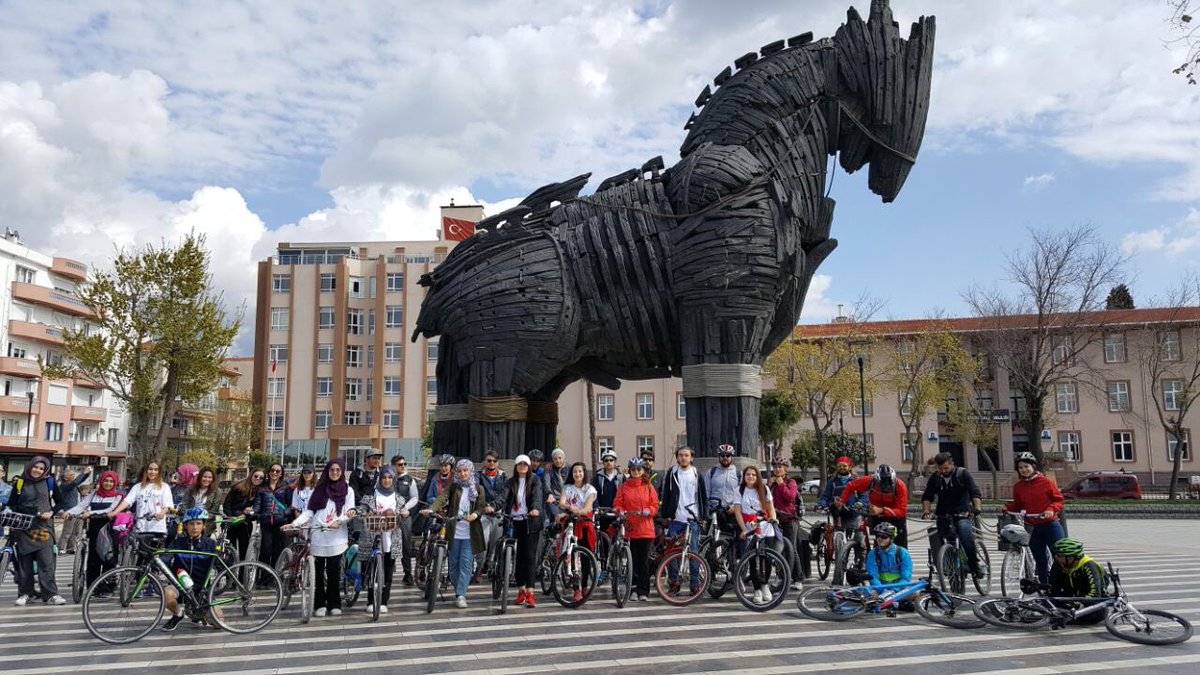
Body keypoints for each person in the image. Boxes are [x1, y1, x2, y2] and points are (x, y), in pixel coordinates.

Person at [284, 459, 356, 617]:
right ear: (327, 472)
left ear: (342, 471)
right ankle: (319, 604)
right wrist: (294, 523)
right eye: (332, 470)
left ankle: (334, 603)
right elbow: (309, 512)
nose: (335, 473)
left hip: (336, 537)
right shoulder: (319, 490)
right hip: (318, 535)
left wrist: (340, 521)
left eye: (338, 470)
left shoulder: (348, 490)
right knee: (316, 574)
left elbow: (350, 510)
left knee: (333, 573)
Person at [425, 459, 487, 608]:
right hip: (454, 531)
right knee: (453, 565)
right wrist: (432, 509)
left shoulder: (478, 489)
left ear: (471, 472)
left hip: (469, 533)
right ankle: (457, 588)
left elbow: (481, 507)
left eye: (466, 470)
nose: (463, 473)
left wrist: (476, 515)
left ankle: (461, 594)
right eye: (460, 471)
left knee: (465, 564)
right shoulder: (453, 487)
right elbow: (442, 499)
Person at [9, 456, 65, 605]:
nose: (37, 470)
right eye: (35, 467)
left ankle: (51, 594)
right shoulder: (20, 482)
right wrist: (24, 513)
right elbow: (12, 504)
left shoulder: (49, 481)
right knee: (24, 564)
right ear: (30, 466)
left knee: (46, 562)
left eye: (41, 468)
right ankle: (25, 593)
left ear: (45, 470)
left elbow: (61, 502)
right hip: (25, 528)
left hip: (43, 528)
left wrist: (51, 512)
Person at [1003, 452, 1065, 584]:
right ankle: (1044, 586)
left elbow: (1059, 500)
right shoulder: (1019, 487)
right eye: (1020, 468)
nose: (1024, 470)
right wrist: (1008, 508)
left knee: (1060, 555)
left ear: (1033, 466)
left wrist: (1050, 509)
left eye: (1026, 466)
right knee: (1039, 559)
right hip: (1033, 526)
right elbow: (1019, 505)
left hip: (1050, 524)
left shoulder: (1047, 482)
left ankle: (1062, 583)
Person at [921, 452, 985, 579]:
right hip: (943, 514)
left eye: (946, 468)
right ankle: (950, 565)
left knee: (965, 535)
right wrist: (926, 511)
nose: (943, 471)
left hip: (963, 513)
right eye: (940, 468)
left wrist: (976, 508)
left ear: (952, 464)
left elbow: (974, 492)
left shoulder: (962, 474)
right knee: (943, 541)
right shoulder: (935, 478)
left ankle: (974, 564)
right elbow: (927, 496)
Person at [160, 507, 219, 631]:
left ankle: (197, 613)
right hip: (180, 587)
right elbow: (165, 559)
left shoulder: (211, 544)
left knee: (219, 623)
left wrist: (225, 557)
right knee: (166, 594)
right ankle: (178, 614)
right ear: (186, 526)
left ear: (204, 526)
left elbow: (221, 565)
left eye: (198, 523)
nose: (195, 527)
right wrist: (160, 559)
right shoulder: (177, 543)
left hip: (201, 590)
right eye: (191, 524)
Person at [66, 470, 124, 595]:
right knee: (93, 559)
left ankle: (107, 588)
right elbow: (81, 506)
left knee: (108, 558)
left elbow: (111, 509)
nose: (108, 483)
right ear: (101, 481)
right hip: (94, 529)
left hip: (110, 529)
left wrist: (90, 513)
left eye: (111, 481)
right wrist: (70, 512)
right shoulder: (93, 494)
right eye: (106, 481)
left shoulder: (119, 496)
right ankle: (93, 587)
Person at [1027, 538, 1108, 625]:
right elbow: (1052, 586)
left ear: (1070, 557)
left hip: (1092, 607)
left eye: (1060, 555)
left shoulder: (1089, 566)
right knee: (1040, 606)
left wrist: (1075, 604)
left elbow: (1095, 594)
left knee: (1094, 614)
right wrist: (1041, 589)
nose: (1056, 557)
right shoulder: (1059, 564)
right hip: (1069, 600)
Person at [660, 446, 707, 596]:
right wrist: (665, 516)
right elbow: (666, 495)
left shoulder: (697, 474)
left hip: (692, 520)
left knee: (693, 553)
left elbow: (703, 496)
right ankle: (674, 584)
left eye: (686, 455)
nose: (683, 458)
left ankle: (694, 584)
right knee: (673, 553)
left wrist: (703, 516)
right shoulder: (672, 473)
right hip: (676, 519)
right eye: (680, 455)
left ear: (691, 458)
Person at [732, 464, 782, 605]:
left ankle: (765, 584)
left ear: (757, 477)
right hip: (750, 527)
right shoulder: (739, 490)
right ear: (744, 477)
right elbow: (737, 511)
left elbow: (771, 508)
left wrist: (773, 519)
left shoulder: (764, 489)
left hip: (766, 526)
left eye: (753, 475)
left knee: (767, 557)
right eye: (748, 474)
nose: (751, 477)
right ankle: (757, 589)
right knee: (753, 559)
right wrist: (743, 529)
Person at [502, 454, 544, 608]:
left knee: (530, 557)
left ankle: (531, 593)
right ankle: (521, 591)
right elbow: (503, 497)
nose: (522, 467)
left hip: (531, 522)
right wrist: (494, 506)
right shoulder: (510, 482)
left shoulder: (535, 481)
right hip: (515, 521)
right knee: (519, 557)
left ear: (528, 467)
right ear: (516, 466)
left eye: (525, 464)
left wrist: (535, 509)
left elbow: (537, 498)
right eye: (519, 464)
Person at [613, 457, 658, 602]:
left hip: (646, 529)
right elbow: (618, 503)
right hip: (630, 528)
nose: (636, 472)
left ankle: (643, 590)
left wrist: (649, 510)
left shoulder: (649, 486)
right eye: (634, 470)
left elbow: (655, 505)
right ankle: (633, 588)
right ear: (630, 471)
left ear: (643, 470)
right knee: (632, 560)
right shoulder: (624, 487)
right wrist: (619, 511)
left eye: (639, 469)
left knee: (643, 561)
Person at [358, 467, 402, 613]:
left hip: (391, 538)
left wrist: (405, 512)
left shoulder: (398, 497)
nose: (387, 480)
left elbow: (403, 511)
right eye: (384, 477)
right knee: (372, 571)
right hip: (373, 537)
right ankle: (371, 601)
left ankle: (384, 601)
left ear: (394, 479)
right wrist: (359, 512)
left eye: (390, 477)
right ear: (380, 478)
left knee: (388, 572)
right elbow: (363, 508)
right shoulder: (371, 494)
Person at [837, 464, 909, 548]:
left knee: (900, 544)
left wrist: (882, 510)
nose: (885, 488)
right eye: (881, 485)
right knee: (879, 541)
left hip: (895, 515)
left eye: (889, 485)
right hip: (876, 513)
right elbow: (851, 486)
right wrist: (842, 500)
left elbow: (902, 511)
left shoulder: (900, 486)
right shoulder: (870, 481)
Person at [111, 460, 175, 550]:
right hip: (141, 526)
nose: (153, 472)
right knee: (141, 554)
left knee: (153, 555)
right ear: (145, 471)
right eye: (150, 469)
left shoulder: (164, 487)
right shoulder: (138, 487)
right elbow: (127, 501)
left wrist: (162, 513)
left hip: (156, 526)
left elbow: (168, 505)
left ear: (159, 472)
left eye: (156, 470)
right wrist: (115, 512)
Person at [559, 461, 598, 603]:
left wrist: (578, 511)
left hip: (585, 524)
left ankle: (585, 585)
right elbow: (562, 502)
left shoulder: (590, 489)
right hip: (571, 523)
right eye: (575, 471)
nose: (577, 474)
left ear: (584, 473)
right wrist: (571, 509)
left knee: (586, 557)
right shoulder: (567, 488)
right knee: (573, 556)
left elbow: (588, 507)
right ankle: (576, 588)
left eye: (580, 471)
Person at [768, 456, 804, 589]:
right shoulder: (771, 484)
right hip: (775, 520)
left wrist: (781, 484)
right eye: (775, 467)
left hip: (789, 520)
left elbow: (790, 497)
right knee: (777, 550)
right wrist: (770, 485)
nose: (777, 469)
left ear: (785, 469)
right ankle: (780, 576)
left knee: (791, 549)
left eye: (780, 467)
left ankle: (798, 578)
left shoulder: (791, 482)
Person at [255, 463, 292, 579]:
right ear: (269, 472)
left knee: (277, 550)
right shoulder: (262, 487)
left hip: (280, 522)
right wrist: (254, 512)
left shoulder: (285, 487)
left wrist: (284, 513)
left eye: (277, 471)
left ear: (281, 473)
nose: (274, 473)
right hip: (266, 521)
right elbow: (257, 504)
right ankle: (263, 578)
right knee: (265, 550)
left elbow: (291, 505)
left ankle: (274, 577)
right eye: (272, 470)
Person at [816, 456, 867, 536]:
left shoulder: (857, 480)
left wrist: (860, 503)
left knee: (858, 541)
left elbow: (864, 496)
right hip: (838, 514)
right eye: (839, 466)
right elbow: (826, 496)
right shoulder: (832, 482)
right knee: (837, 539)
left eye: (844, 466)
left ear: (849, 467)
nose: (841, 468)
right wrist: (822, 505)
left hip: (854, 514)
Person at [389, 457, 420, 585]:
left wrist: (405, 508)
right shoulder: (387, 477)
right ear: (393, 465)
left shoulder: (410, 480)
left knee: (406, 546)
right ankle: (387, 573)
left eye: (404, 464)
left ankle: (408, 574)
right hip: (389, 516)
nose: (403, 466)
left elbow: (415, 498)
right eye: (400, 464)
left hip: (404, 516)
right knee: (387, 544)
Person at [222, 470, 264, 563]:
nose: (257, 479)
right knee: (229, 551)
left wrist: (246, 516)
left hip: (244, 523)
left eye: (261, 478)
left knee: (244, 552)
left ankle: (241, 576)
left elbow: (257, 511)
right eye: (256, 476)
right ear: (251, 475)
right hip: (230, 521)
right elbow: (227, 503)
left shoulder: (260, 492)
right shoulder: (238, 487)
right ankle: (228, 574)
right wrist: (229, 517)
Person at [478, 449, 508, 577]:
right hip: (484, 514)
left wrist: (495, 507)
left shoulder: (503, 476)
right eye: (489, 460)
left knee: (495, 544)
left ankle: (489, 567)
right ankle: (478, 569)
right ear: (485, 462)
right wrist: (485, 506)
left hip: (498, 513)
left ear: (498, 462)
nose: (491, 463)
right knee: (483, 543)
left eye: (494, 461)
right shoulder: (479, 475)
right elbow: (476, 493)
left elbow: (504, 494)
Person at [705, 444, 740, 536]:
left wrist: (734, 507)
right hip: (715, 511)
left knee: (731, 539)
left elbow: (741, 493)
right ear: (719, 457)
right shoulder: (711, 472)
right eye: (722, 455)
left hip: (731, 511)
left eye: (728, 455)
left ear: (732, 457)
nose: (725, 458)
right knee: (713, 538)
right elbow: (706, 492)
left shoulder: (738, 474)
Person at [56, 468, 92, 553]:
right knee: (67, 530)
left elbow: (77, 482)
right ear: (66, 477)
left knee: (74, 531)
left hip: (76, 510)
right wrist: (83, 473)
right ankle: (60, 548)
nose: (73, 476)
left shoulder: (72, 485)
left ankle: (70, 548)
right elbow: (76, 482)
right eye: (71, 475)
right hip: (69, 511)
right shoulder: (64, 485)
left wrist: (86, 475)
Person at [592, 449, 624, 538]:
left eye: (611, 460)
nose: (609, 462)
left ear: (615, 462)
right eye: (606, 460)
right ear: (603, 462)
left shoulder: (621, 477)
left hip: (617, 511)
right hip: (602, 512)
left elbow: (625, 494)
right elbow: (593, 494)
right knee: (603, 538)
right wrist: (596, 507)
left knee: (618, 538)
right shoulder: (598, 477)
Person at [543, 448, 569, 523]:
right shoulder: (549, 469)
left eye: (560, 458)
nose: (558, 461)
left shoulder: (569, 468)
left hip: (567, 500)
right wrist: (549, 494)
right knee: (555, 517)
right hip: (554, 500)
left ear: (563, 458)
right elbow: (546, 482)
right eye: (555, 459)